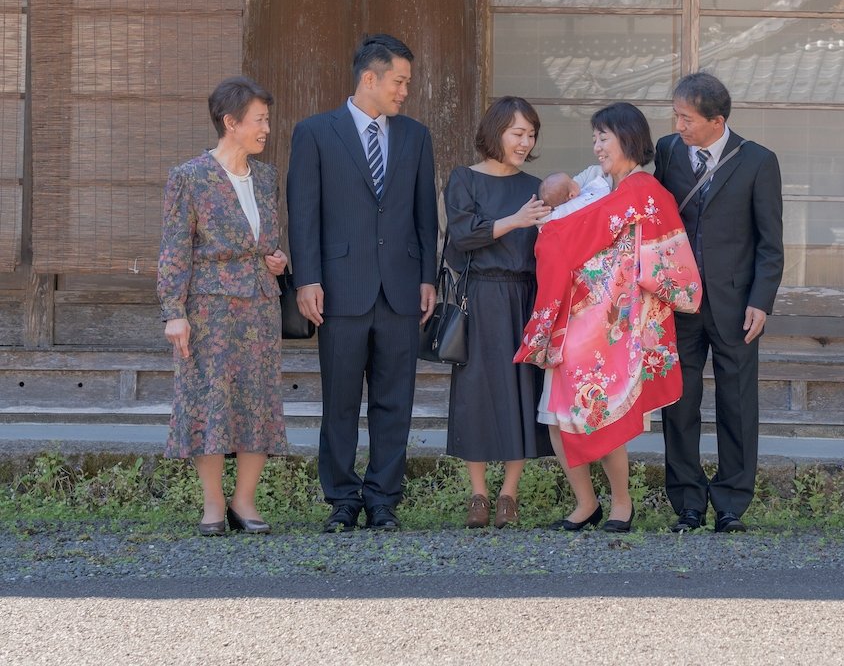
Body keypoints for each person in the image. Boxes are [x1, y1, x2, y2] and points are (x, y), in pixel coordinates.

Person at [516, 102, 701, 533]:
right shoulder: (597, 186)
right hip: (575, 319)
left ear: (628, 138)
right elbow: (558, 231)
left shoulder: (646, 191)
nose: (597, 146)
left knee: (604, 413)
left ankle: (622, 504)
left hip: (616, 327)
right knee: (558, 417)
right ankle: (586, 503)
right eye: (595, 138)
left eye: (604, 137)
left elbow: (669, 265)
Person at [287, 34, 438, 532]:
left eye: (407, 83)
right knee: (341, 400)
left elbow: (423, 215)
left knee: (396, 400)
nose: (404, 92)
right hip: (339, 288)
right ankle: (342, 500)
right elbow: (303, 212)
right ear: (369, 78)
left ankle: (383, 500)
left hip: (400, 289)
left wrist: (427, 276)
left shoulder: (416, 136)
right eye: (399, 81)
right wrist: (306, 278)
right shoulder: (314, 132)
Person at [158, 76, 289, 536]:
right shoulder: (189, 177)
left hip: (259, 305)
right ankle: (213, 503)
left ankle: (245, 501)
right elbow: (174, 249)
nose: (266, 128)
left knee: (259, 401)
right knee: (209, 402)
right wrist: (174, 311)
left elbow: (269, 242)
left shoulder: (267, 177)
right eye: (259, 120)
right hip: (209, 309)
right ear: (230, 122)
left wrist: (278, 259)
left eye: (267, 120)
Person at [654, 72, 784, 534]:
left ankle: (731, 503)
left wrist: (761, 301)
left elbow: (771, 243)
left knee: (737, 402)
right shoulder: (668, 152)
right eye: (676, 116)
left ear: (717, 120)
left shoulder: (757, 161)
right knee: (680, 403)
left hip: (736, 305)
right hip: (680, 303)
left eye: (686, 118)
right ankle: (687, 502)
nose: (679, 125)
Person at [443, 97, 552, 528]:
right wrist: (516, 220)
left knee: (521, 390)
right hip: (480, 296)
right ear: (495, 132)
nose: (525, 142)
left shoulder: (536, 185)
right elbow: (462, 235)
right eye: (517, 133)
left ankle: (509, 492)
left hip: (525, 296)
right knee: (475, 392)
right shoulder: (464, 179)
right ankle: (478, 493)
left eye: (531, 135)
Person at [537, 170, 610, 223]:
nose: (574, 180)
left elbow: (542, 220)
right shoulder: (578, 204)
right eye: (571, 180)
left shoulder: (555, 214)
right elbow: (602, 196)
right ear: (571, 195)